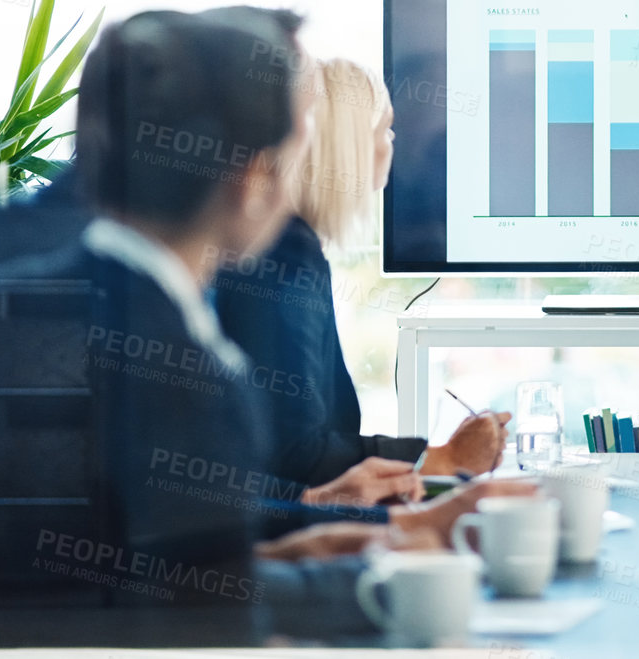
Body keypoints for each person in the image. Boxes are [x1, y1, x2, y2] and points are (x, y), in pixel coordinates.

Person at [0, 10, 529, 616]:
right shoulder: (141, 338)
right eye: (292, 152)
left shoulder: (2, 276)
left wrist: (313, 542)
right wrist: (383, 565)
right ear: (253, 181)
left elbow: (121, 551)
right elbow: (122, 607)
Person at [212, 57, 507, 487]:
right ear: (349, 145)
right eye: (384, 128)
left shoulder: (286, 248)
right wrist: (439, 458)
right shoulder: (285, 256)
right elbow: (297, 456)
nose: (392, 143)